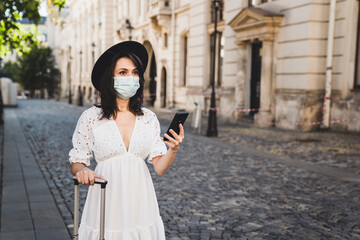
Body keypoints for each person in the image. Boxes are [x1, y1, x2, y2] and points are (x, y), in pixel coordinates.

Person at [69, 41, 184, 239]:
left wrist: (172, 149)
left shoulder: (148, 118)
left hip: (140, 201)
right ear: (110, 78)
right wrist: (83, 171)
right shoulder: (91, 117)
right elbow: (77, 162)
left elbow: (160, 167)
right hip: (106, 199)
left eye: (135, 72)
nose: (130, 77)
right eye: (123, 72)